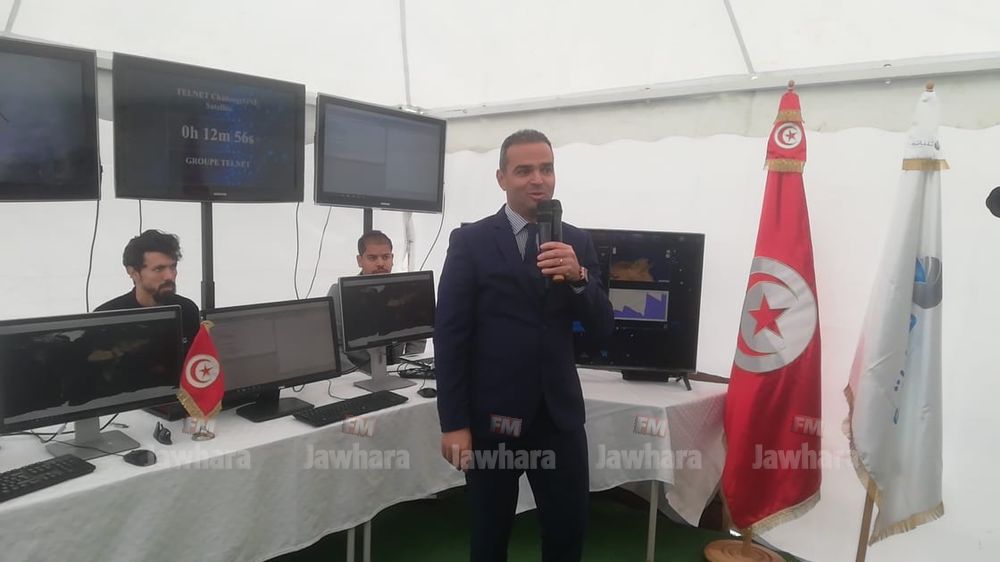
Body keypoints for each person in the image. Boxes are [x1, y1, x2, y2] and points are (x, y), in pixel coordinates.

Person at [434, 129, 614, 562]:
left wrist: (579, 278)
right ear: (501, 178)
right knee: (489, 534)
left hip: (558, 419)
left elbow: (602, 327)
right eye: (524, 170)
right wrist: (453, 422)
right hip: (493, 422)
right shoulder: (471, 242)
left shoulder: (577, 242)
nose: (538, 179)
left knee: (567, 534)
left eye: (546, 169)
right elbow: (450, 336)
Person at [328, 230, 426, 370]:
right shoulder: (339, 293)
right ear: (360, 260)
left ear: (392, 258)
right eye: (372, 258)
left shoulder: (405, 291)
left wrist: (408, 367)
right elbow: (332, 346)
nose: (380, 263)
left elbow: (418, 335)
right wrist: (354, 376)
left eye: (386, 257)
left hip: (397, 373)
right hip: (356, 376)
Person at [95, 229, 200, 352]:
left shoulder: (187, 310)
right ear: (133, 272)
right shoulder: (106, 318)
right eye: (158, 269)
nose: (169, 276)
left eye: (173, 267)